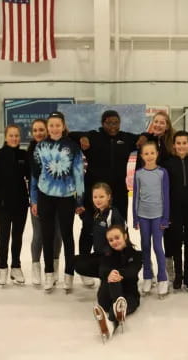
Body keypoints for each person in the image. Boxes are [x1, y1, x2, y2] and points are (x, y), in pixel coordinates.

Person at [69, 110, 146, 287]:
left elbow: (147, 136)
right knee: (89, 227)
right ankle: (86, 263)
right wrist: (83, 137)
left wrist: (143, 136)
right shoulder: (94, 136)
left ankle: (120, 262)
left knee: (119, 227)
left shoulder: (126, 138)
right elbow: (71, 135)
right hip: (95, 194)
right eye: (109, 123)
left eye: (116, 123)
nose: (112, 126)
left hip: (118, 193)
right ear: (102, 123)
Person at [30, 111, 85, 293]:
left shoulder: (73, 147)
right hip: (45, 196)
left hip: (66, 197)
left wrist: (79, 200)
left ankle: (69, 274)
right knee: (47, 235)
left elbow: (78, 175)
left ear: (63, 126)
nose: (54, 128)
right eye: (51, 125)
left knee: (67, 236)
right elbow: (35, 176)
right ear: (48, 127)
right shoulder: (40, 147)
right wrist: (35, 199)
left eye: (57, 125)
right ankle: (49, 273)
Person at [0, 125, 31, 286]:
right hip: (3, 205)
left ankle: (16, 266)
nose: (14, 138)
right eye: (11, 135)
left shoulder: (23, 155)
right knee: (3, 238)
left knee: (18, 237)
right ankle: (2, 267)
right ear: (6, 137)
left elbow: (31, 177)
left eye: (17, 136)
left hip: (20, 203)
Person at [26, 119, 63, 286]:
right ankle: (36, 266)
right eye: (35, 130)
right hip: (39, 199)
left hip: (58, 199)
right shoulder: (31, 151)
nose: (38, 133)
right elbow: (32, 179)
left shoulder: (55, 148)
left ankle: (54, 266)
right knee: (39, 234)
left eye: (41, 129)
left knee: (57, 234)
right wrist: (34, 201)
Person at [93, 224, 142, 343]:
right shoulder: (107, 255)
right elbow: (102, 270)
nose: (114, 242)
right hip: (106, 298)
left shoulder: (136, 254)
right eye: (111, 240)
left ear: (125, 236)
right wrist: (110, 274)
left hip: (128, 297)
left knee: (116, 280)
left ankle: (111, 322)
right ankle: (117, 311)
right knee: (112, 277)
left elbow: (133, 270)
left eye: (117, 237)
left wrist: (118, 273)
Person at [133, 141, 170, 298]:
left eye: (152, 153)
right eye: (146, 153)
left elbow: (166, 196)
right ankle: (148, 275)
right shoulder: (138, 173)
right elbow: (135, 196)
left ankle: (163, 277)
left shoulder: (162, 173)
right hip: (143, 215)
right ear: (141, 156)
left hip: (158, 215)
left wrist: (165, 218)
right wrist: (135, 217)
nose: (149, 156)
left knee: (157, 246)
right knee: (145, 246)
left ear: (157, 154)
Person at [163, 131, 188, 291]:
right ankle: (178, 275)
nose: (181, 146)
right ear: (174, 145)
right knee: (176, 244)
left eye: (184, 143)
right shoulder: (168, 165)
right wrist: (167, 214)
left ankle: (187, 276)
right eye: (178, 143)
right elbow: (165, 191)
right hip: (174, 211)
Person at [74, 182, 125, 281]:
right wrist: (83, 215)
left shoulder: (113, 214)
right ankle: (106, 275)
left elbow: (121, 241)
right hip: (100, 255)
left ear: (109, 197)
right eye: (95, 197)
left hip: (112, 257)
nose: (98, 200)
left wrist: (108, 253)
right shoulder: (97, 214)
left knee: (104, 294)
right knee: (76, 262)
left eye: (101, 197)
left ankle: (116, 276)